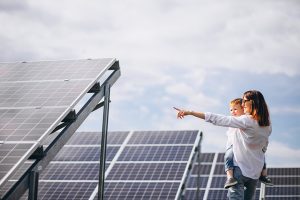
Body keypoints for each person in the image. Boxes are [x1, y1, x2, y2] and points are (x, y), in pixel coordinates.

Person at [174, 90, 272, 200]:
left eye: (244, 101)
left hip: (240, 168)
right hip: (255, 172)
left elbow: (218, 119)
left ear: (253, 102)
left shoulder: (246, 121)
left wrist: (191, 112)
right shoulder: (267, 125)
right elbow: (264, 147)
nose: (243, 104)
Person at [224, 98, 272, 189]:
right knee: (228, 156)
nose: (232, 112)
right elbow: (230, 135)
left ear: (243, 109)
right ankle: (230, 177)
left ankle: (264, 175)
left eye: (235, 109)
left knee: (261, 157)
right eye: (231, 110)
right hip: (234, 145)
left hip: (248, 146)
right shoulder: (233, 121)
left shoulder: (248, 120)